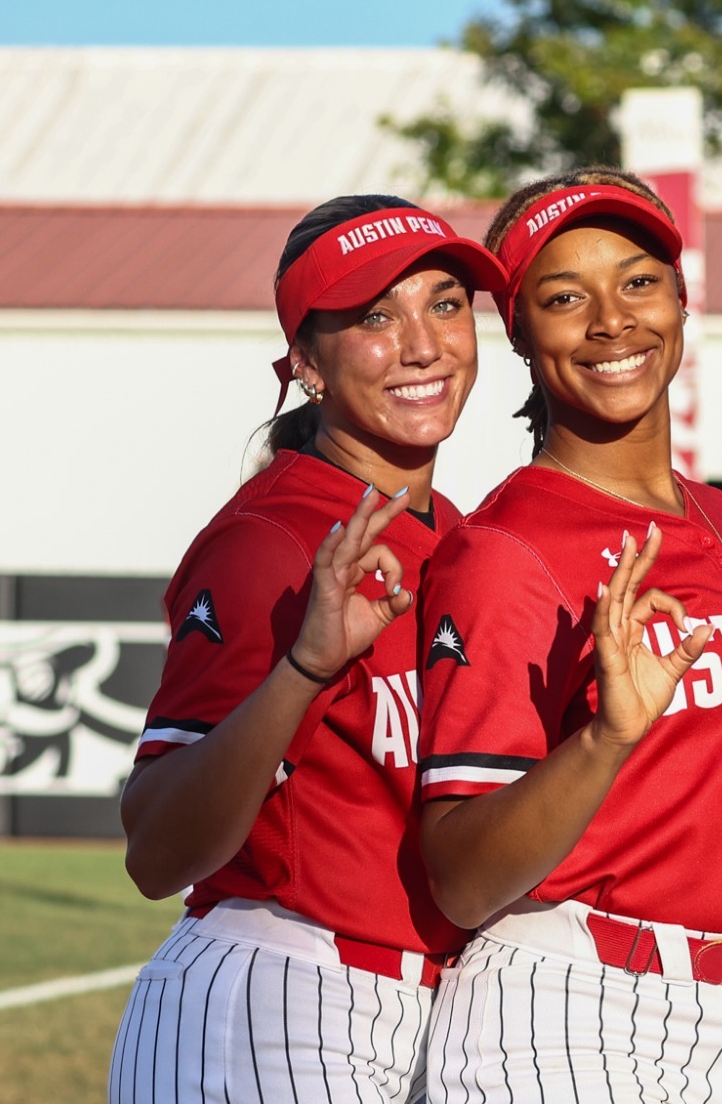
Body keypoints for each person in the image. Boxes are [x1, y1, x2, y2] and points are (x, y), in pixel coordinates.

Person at [415, 168, 722, 1103]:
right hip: (581, 1013)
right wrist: (605, 738)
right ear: (519, 334)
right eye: (565, 298)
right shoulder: (507, 548)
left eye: (638, 282)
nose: (611, 321)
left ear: (681, 297)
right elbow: (460, 878)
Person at [108, 197, 506, 1103]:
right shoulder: (271, 541)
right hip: (275, 1005)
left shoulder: (461, 537)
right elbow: (157, 850)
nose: (423, 345)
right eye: (376, 317)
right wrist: (305, 670)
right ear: (306, 365)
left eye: (446, 304)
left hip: (429, 1015)